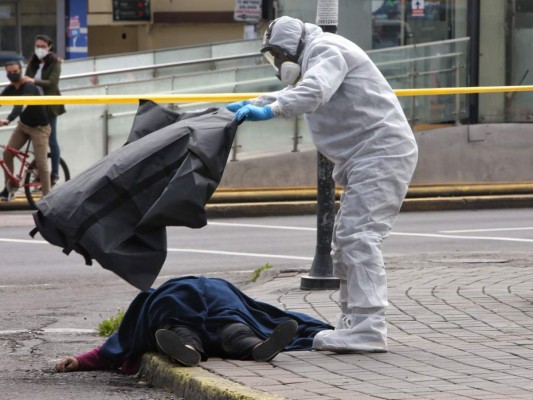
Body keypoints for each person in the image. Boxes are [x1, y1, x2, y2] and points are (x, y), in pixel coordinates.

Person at [227, 16, 418, 353]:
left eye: (278, 56)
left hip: (381, 152)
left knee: (358, 237)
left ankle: (367, 327)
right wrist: (255, 103)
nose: (279, 66)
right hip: (369, 155)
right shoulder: (316, 55)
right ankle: (353, 321)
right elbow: (299, 88)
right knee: (346, 240)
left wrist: (271, 111)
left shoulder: (327, 49)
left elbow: (314, 91)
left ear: (290, 48)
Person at [55, 276, 332, 373]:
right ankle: (256, 345)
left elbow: (121, 340)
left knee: (181, 327)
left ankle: (188, 348)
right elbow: (260, 310)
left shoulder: (164, 294)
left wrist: (80, 361)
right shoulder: (217, 287)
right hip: (223, 304)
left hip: (177, 306)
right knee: (234, 328)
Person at [0, 60, 51, 201]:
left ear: (21, 70)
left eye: (15, 71)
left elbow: (20, 105)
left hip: (39, 128)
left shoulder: (28, 86)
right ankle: (8, 189)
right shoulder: (11, 88)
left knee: (41, 164)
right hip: (23, 126)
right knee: (7, 154)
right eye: (9, 72)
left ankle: (48, 197)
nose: (12, 74)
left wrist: (8, 119)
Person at [24, 34, 66, 187]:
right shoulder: (32, 62)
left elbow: (52, 84)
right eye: (37, 46)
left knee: (51, 140)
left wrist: (33, 81)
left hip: (49, 107)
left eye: (42, 46)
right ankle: (40, 173)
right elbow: (25, 80)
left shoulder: (55, 62)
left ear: (49, 47)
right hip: (34, 107)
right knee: (36, 141)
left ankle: (54, 173)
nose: (39, 49)